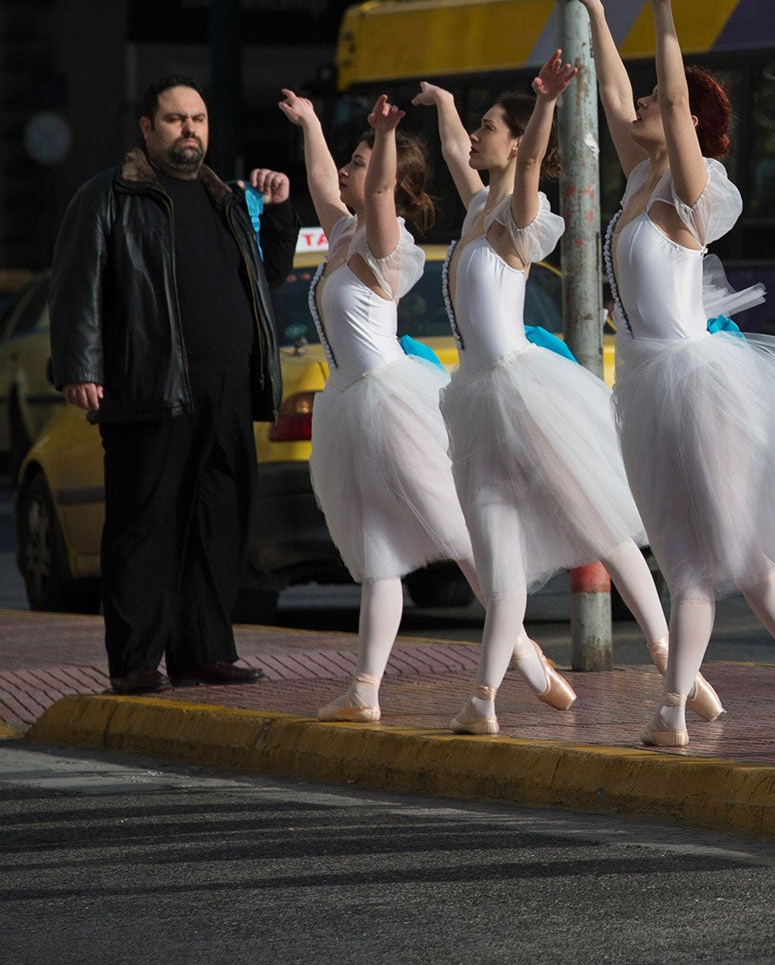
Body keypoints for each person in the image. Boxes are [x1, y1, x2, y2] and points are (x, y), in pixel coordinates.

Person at [557, 0, 775, 750]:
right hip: (651, 385)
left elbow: (668, 101)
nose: (646, 105)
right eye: (653, 99)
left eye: (666, 99)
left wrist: (661, 7)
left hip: (698, 382)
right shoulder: (636, 181)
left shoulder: (697, 190)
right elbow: (617, 95)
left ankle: (729, 696)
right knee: (697, 557)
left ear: (692, 122)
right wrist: (594, 9)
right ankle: (708, 698)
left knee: (738, 554)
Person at [278, 90, 572, 724]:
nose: (350, 173)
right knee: (378, 552)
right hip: (353, 408)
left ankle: (520, 649)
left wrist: (383, 137)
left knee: (459, 536)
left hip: (390, 404)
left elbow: (378, 190)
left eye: (360, 163)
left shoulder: (383, 239)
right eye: (353, 161)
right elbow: (325, 181)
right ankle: (365, 687)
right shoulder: (340, 235)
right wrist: (308, 121)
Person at [414, 60, 674, 736]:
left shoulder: (516, 214)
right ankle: (485, 700)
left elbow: (529, 166)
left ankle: (669, 652)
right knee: (502, 564)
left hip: (521, 394)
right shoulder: (477, 204)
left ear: (514, 140)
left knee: (600, 523)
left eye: (487, 128)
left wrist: (546, 104)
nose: (475, 135)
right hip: (477, 397)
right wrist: (443, 99)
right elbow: (450, 149)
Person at [48, 75, 296, 693]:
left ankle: (204, 651)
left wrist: (283, 207)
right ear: (147, 128)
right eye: (176, 119)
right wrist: (80, 365)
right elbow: (76, 286)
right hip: (151, 386)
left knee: (217, 523)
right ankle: (135, 661)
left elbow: (268, 274)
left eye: (199, 119)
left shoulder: (226, 200)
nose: (190, 129)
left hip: (229, 387)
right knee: (145, 524)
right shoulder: (108, 195)